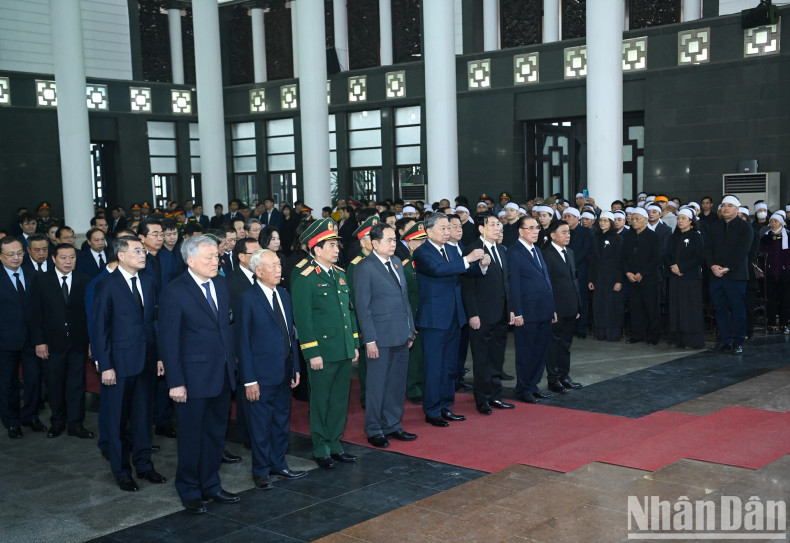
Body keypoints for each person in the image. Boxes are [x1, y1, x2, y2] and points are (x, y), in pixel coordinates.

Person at [159, 235, 239, 513]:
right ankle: (189, 489)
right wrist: (176, 382)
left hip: (222, 374)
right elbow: (169, 341)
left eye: (216, 256)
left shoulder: (220, 282)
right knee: (191, 437)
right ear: (190, 261)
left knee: (216, 435)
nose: (215, 261)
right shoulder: (175, 291)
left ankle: (211, 484)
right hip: (192, 379)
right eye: (209, 258)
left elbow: (225, 327)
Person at [92, 236, 166, 491]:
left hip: (145, 361)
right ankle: (122, 471)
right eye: (137, 250)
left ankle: (144, 465)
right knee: (117, 420)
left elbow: (153, 323)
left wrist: (158, 356)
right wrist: (105, 364)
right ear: (121, 255)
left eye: (143, 250)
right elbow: (100, 328)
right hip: (119, 364)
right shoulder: (107, 285)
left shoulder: (148, 281)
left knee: (143, 418)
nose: (143, 254)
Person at [291, 219, 360, 469]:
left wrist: (353, 344)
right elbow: (303, 318)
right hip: (322, 351)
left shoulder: (340, 275)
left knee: (340, 399)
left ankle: (336, 443)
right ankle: (321, 447)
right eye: (331, 245)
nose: (337, 249)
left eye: (337, 245)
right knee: (321, 400)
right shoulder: (305, 277)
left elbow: (349, 313)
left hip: (341, 348)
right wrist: (312, 352)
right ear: (316, 249)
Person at [413, 212, 489, 426]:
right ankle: (432, 409)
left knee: (449, 366)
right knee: (434, 365)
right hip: (435, 318)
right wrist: (467, 259)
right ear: (429, 232)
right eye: (443, 229)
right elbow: (439, 270)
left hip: (455, 316)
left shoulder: (450, 249)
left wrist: (481, 265)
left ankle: (446, 405)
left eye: (449, 228)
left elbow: (464, 273)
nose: (447, 232)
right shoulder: (423, 252)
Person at [238, 249, 304, 489]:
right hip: (260, 375)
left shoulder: (284, 295)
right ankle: (261, 470)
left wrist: (295, 365)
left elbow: (290, 334)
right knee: (260, 424)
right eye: (274, 266)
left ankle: (279, 464)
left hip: (284, 370)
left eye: (279, 265)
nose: (279, 270)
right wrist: (249, 379)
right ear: (259, 271)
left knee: (280, 421)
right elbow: (243, 342)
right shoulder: (248, 299)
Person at [353, 223, 417, 448]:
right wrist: (369, 339)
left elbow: (404, 300)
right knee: (377, 385)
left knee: (397, 384)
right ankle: (374, 428)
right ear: (375, 243)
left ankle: (392, 424)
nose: (394, 244)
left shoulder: (398, 263)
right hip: (379, 337)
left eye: (395, 240)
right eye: (389, 240)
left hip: (401, 333)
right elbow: (363, 307)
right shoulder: (365, 268)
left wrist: (410, 329)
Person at [32, 243, 93, 439]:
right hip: (52, 343)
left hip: (78, 342)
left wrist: (92, 341)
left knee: (77, 385)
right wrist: (39, 341)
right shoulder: (41, 280)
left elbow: (90, 314)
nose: (68, 261)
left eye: (72, 257)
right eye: (64, 258)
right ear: (54, 259)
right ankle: (57, 422)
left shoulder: (85, 280)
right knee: (55, 384)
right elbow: (34, 314)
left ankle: (76, 424)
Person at [460, 212, 515, 415]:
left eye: (499, 225)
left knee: (497, 357)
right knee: (482, 358)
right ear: (481, 228)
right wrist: (472, 314)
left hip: (500, 313)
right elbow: (467, 286)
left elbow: (506, 283)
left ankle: (496, 396)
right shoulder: (473, 249)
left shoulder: (501, 249)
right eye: (492, 225)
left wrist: (510, 310)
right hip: (481, 315)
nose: (497, 228)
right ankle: (482, 399)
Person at [508, 216, 555, 404]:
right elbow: (515, 285)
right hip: (527, 311)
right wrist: (517, 311)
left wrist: (552, 308)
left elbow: (546, 279)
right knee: (526, 350)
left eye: (537, 228)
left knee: (541, 350)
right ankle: (524, 388)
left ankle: (534, 385)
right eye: (530, 228)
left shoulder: (536, 250)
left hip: (544, 309)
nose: (535, 231)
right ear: (520, 231)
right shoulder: (514, 252)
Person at [0, 236, 44, 438]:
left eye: (19, 253)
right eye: (10, 254)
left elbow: (38, 308)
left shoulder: (31, 273)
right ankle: (12, 422)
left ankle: (31, 416)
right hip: (4, 341)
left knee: (34, 379)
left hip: (31, 339)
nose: (16, 257)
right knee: (7, 384)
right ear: (1, 256)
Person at [706, 196, 754, 355]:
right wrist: (712, 265)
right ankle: (724, 340)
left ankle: (738, 341)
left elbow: (743, 251)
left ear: (737, 208)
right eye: (724, 205)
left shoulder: (745, 227)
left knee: (738, 309)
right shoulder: (714, 227)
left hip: (735, 275)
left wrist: (727, 268)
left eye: (730, 206)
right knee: (720, 309)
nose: (726, 208)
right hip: (716, 275)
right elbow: (707, 249)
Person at [541, 221, 584, 394]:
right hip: (556, 308)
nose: (568, 235)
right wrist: (551, 309)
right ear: (552, 235)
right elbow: (546, 284)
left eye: (568, 232)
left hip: (571, 307)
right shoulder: (546, 254)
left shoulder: (570, 252)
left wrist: (578, 305)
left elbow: (574, 281)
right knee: (553, 345)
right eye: (563, 232)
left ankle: (564, 376)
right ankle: (553, 379)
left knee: (566, 344)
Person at [665, 208, 706, 349]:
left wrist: (681, 267)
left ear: (690, 220)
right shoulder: (673, 236)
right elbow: (666, 255)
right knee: (676, 307)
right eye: (678, 218)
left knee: (689, 308)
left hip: (690, 277)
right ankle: (677, 339)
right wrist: (672, 266)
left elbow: (699, 256)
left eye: (683, 218)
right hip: (675, 277)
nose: (680, 221)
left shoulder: (696, 236)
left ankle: (692, 340)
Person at [623, 208, 662, 345]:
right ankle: (637, 334)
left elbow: (655, 258)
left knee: (651, 308)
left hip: (649, 278)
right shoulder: (628, 236)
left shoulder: (653, 236)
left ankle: (652, 337)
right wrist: (628, 272)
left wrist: (642, 273)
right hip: (632, 278)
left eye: (637, 219)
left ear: (646, 219)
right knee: (635, 308)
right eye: (632, 219)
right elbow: (624, 258)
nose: (634, 222)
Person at [400, 222, 427, 404]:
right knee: (414, 356)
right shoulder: (405, 266)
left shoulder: (427, 262)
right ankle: (413, 388)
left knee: (426, 355)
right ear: (410, 244)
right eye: (419, 241)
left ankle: (425, 386)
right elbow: (403, 296)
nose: (424, 244)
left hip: (428, 315)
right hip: (413, 315)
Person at [588, 212, 624, 342]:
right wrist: (591, 279)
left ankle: (612, 334)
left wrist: (619, 280)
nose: (602, 223)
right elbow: (592, 260)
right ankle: (600, 333)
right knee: (599, 305)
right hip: (598, 277)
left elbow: (620, 260)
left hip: (612, 277)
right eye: (601, 220)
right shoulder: (595, 236)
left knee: (611, 306)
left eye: (606, 220)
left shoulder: (616, 238)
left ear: (611, 222)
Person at [562, 207, 592, 338]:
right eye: (565, 216)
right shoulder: (562, 231)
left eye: (569, 216)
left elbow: (585, 251)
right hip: (565, 271)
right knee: (568, 300)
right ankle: (569, 328)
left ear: (577, 218)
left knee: (581, 301)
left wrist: (571, 263)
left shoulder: (586, 231)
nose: (566, 219)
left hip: (580, 270)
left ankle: (581, 329)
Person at [758, 212, 790, 333]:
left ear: (781, 223)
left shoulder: (788, 237)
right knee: (770, 300)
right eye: (771, 221)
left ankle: (784, 323)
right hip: (770, 274)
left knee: (785, 301)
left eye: (775, 221)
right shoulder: (765, 238)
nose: (772, 224)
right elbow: (759, 254)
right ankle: (771, 323)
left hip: (785, 274)